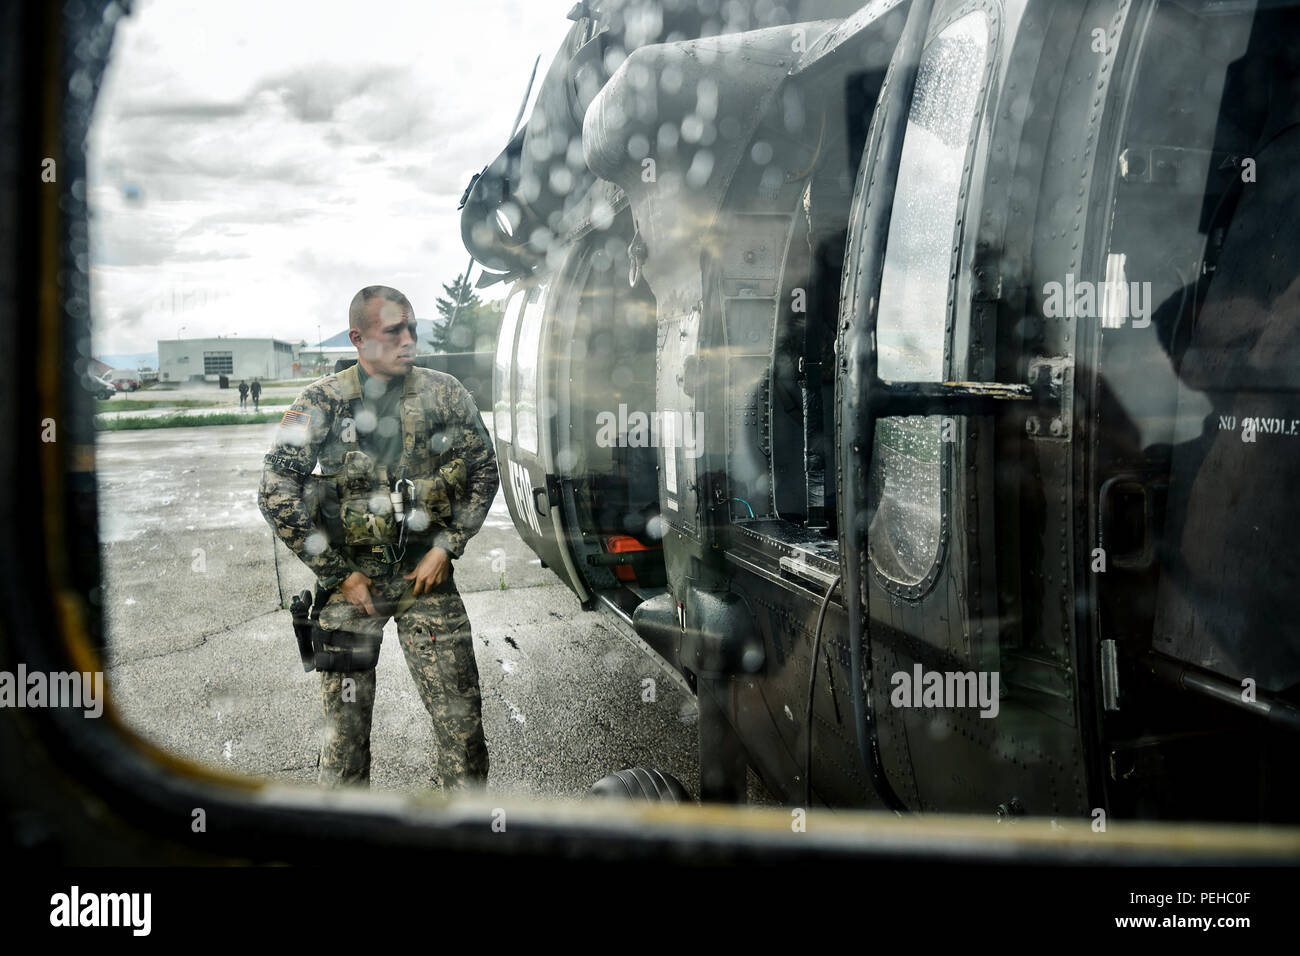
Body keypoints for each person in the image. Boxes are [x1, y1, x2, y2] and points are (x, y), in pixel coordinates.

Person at [258, 285, 499, 790]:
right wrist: (339, 575)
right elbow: (275, 492)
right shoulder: (321, 401)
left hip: (425, 580)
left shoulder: (443, 392)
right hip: (353, 589)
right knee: (344, 744)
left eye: (412, 328)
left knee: (464, 731)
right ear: (359, 339)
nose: (409, 340)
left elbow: (483, 469)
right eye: (394, 331)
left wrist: (446, 546)